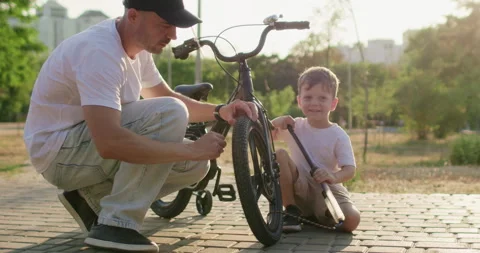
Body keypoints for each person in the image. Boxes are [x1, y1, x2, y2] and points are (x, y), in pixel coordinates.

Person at [23, 0, 257, 252]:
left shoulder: (138, 49)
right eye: (165, 25)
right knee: (173, 121)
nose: (173, 35)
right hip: (59, 153)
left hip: (83, 150)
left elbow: (164, 95)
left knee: (196, 165)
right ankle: (116, 225)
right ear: (133, 15)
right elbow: (110, 142)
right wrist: (191, 149)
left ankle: (91, 201)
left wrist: (220, 111)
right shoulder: (99, 51)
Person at [271, 66, 360, 233]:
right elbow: (263, 136)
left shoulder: (338, 135)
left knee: (352, 220)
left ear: (333, 103)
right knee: (280, 154)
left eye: (322, 98)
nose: (314, 103)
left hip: (326, 188)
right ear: (299, 101)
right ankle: (291, 210)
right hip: (300, 187)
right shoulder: (294, 126)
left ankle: (314, 217)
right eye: (308, 97)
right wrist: (277, 121)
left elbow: (350, 170)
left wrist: (332, 176)